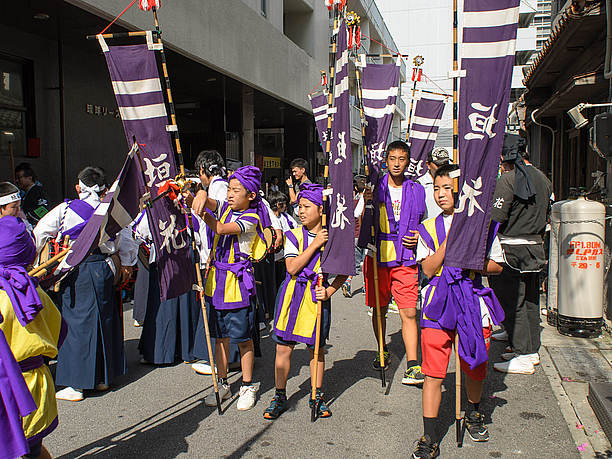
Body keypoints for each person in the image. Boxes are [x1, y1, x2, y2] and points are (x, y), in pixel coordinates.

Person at [412, 164, 504, 458]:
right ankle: (428, 436)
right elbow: (426, 268)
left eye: (446, 188)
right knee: (433, 372)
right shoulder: (428, 227)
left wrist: (467, 260)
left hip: (471, 299)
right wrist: (450, 246)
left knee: (474, 365)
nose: (440, 194)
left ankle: (474, 413)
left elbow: (497, 265)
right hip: (437, 302)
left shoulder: (483, 224)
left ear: (461, 191)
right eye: (436, 188)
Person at [33, 167, 137, 402]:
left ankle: (77, 384)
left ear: (79, 187)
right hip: (106, 266)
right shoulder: (111, 210)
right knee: (105, 318)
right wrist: (127, 263)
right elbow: (128, 237)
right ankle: (102, 377)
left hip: (79, 268)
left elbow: (40, 231)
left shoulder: (67, 209)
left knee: (77, 322)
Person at [189, 165, 271, 411]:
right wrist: (199, 195)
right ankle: (223, 382)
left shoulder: (251, 218)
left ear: (251, 195)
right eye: (230, 189)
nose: (230, 195)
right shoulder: (226, 208)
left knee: (243, 338)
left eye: (237, 190)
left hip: (237, 284)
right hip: (217, 282)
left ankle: (247, 384)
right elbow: (209, 202)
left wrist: (202, 211)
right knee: (220, 337)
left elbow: (221, 228)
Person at [263, 183, 347, 420]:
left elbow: (344, 270)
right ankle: (279, 395)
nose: (300, 211)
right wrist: (314, 244)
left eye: (307, 206)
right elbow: (292, 267)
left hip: (317, 297)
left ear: (320, 210)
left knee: (317, 350)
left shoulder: (332, 237)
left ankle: (316, 395)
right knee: (283, 347)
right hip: (292, 295)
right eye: (299, 206)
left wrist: (330, 291)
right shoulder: (293, 234)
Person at [0, 216, 66, 459]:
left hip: (10, 387)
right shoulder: (34, 292)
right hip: (36, 385)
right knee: (32, 449)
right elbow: (59, 332)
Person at [363, 140, 427, 385]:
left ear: (408, 161)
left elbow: (425, 220)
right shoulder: (375, 187)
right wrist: (367, 201)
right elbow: (361, 218)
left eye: (402, 159)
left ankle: (413, 364)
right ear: (386, 160)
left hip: (405, 258)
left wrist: (419, 235)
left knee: (409, 311)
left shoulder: (416, 189)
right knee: (378, 309)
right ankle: (382, 350)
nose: (397, 163)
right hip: (378, 257)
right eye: (392, 158)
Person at [489, 134, 553, 375]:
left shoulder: (509, 178)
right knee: (530, 301)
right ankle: (529, 349)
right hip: (536, 247)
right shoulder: (543, 178)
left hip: (512, 249)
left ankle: (523, 353)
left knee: (512, 300)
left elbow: (497, 217)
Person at [268, 191, 298, 289]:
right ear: (277, 204)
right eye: (283, 203)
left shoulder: (286, 217)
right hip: (274, 257)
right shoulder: (268, 217)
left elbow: (295, 228)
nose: (285, 205)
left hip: (285, 255)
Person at [342, 177, 366, 297]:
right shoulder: (366, 202)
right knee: (367, 262)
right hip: (365, 236)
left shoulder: (351, 203)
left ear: (356, 189)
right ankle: (365, 285)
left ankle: (348, 281)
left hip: (354, 236)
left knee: (355, 263)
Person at [417, 148, 451, 220]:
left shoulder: (453, 182)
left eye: (445, 164)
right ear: (428, 165)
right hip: (428, 229)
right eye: (438, 165)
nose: (442, 168)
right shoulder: (419, 185)